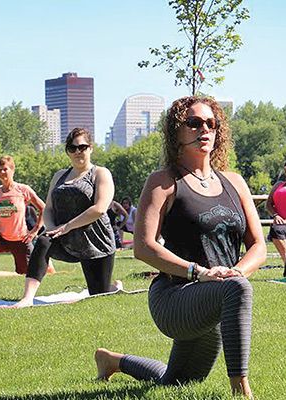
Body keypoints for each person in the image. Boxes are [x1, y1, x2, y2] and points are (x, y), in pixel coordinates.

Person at [93, 96, 266, 398]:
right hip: (174, 297)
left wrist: (233, 272)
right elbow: (144, 247)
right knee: (239, 288)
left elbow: (259, 247)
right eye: (194, 122)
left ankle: (114, 361)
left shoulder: (235, 182)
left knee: (178, 382)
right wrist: (200, 273)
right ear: (176, 131)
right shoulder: (163, 182)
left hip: (215, 295)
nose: (205, 129)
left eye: (211, 124)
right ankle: (242, 391)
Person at [12, 128, 120, 308]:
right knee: (44, 241)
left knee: (99, 294)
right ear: (68, 151)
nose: (78, 151)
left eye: (82, 147)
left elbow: (100, 209)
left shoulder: (101, 173)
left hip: (96, 243)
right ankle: (27, 297)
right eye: (72, 148)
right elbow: (48, 209)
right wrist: (53, 227)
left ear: (91, 148)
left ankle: (114, 287)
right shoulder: (59, 176)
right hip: (65, 239)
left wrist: (67, 226)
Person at [0, 156, 45, 276]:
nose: (2, 172)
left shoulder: (23, 189)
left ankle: (47, 264)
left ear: (12, 170)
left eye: (5, 169)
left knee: (28, 273)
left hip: (20, 239)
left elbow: (43, 208)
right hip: (1, 238)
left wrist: (35, 230)